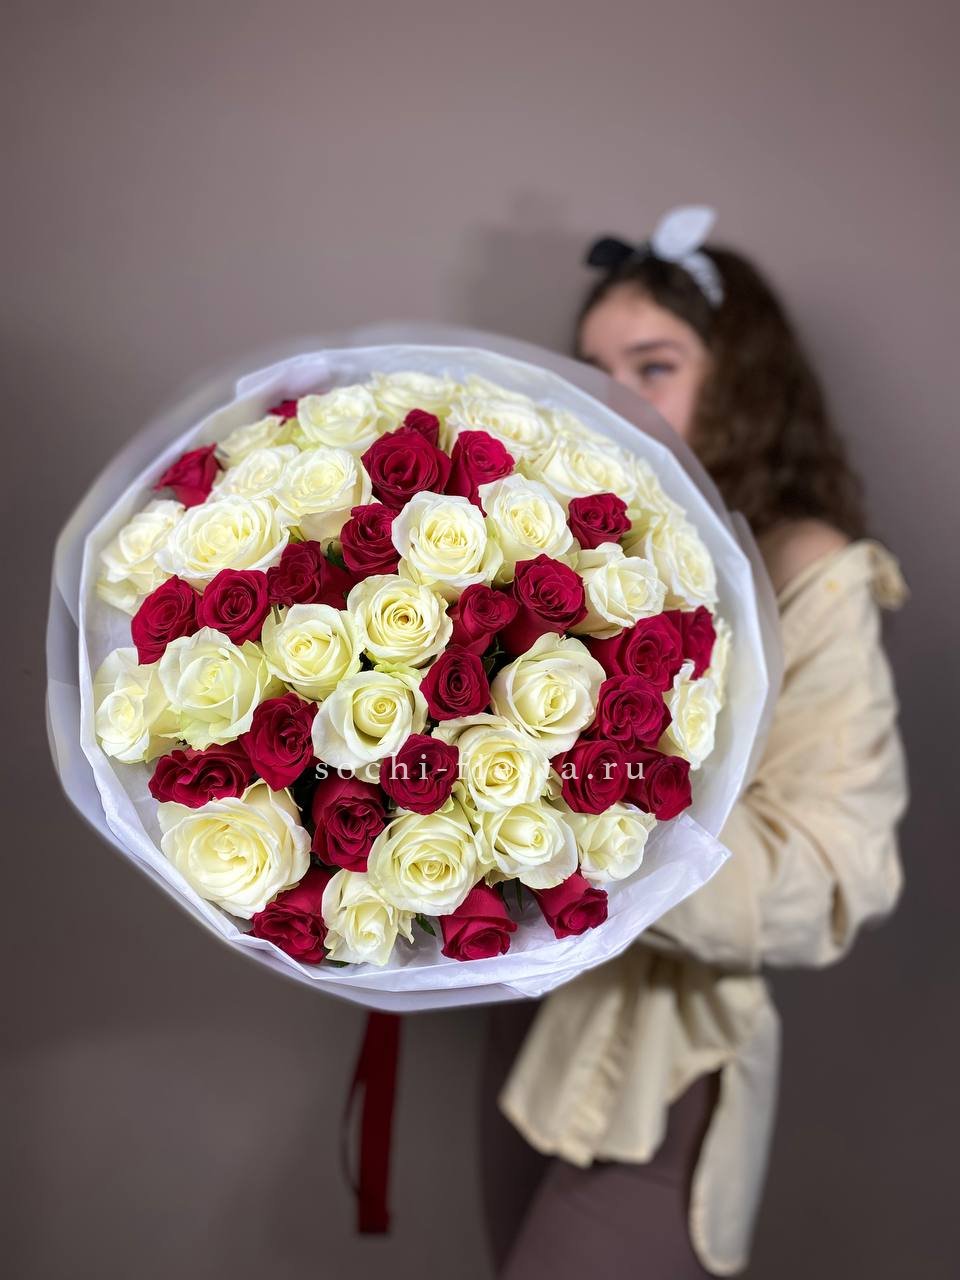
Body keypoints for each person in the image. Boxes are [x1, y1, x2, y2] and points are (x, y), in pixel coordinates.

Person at [481, 208, 908, 1278]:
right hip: (521, 1020)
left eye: (655, 365)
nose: (616, 397)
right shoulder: (561, 543)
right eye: (595, 369)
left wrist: (578, 829)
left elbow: (836, 871)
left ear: (743, 383)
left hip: (659, 1056)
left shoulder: (809, 569)